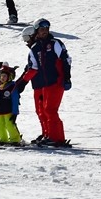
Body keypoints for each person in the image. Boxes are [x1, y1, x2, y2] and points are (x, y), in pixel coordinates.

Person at [17, 18, 72, 147]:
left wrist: (67, 78)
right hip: (43, 84)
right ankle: (49, 135)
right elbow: (33, 68)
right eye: (42, 29)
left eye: (46, 29)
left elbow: (66, 60)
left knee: (50, 110)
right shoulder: (35, 49)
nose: (45, 32)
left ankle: (56, 138)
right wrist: (22, 83)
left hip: (56, 81)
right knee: (44, 111)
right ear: (37, 31)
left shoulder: (55, 43)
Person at [0, 63, 24, 145]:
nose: (2, 78)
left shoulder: (12, 86)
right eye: (2, 76)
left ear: (9, 77)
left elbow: (15, 100)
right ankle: (3, 139)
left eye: (5, 76)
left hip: (8, 111)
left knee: (9, 125)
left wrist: (15, 113)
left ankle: (15, 139)